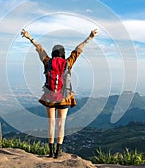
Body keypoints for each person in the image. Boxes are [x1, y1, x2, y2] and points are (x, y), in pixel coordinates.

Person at [21, 28, 98, 158]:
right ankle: (58, 152)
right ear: (63, 54)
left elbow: (40, 49)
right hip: (64, 97)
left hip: (49, 96)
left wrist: (29, 38)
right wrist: (89, 37)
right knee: (61, 124)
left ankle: (50, 152)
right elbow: (78, 49)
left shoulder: (47, 62)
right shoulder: (68, 62)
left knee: (51, 123)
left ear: (53, 53)